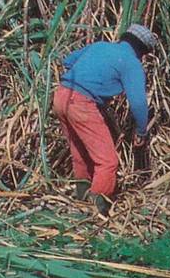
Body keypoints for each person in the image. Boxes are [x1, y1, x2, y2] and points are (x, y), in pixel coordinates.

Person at [52, 23, 156, 218]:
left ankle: (80, 199)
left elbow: (67, 61)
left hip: (61, 96)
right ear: (142, 50)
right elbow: (139, 104)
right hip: (82, 103)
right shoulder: (131, 63)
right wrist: (141, 131)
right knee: (108, 161)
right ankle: (96, 209)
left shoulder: (100, 46)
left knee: (80, 152)